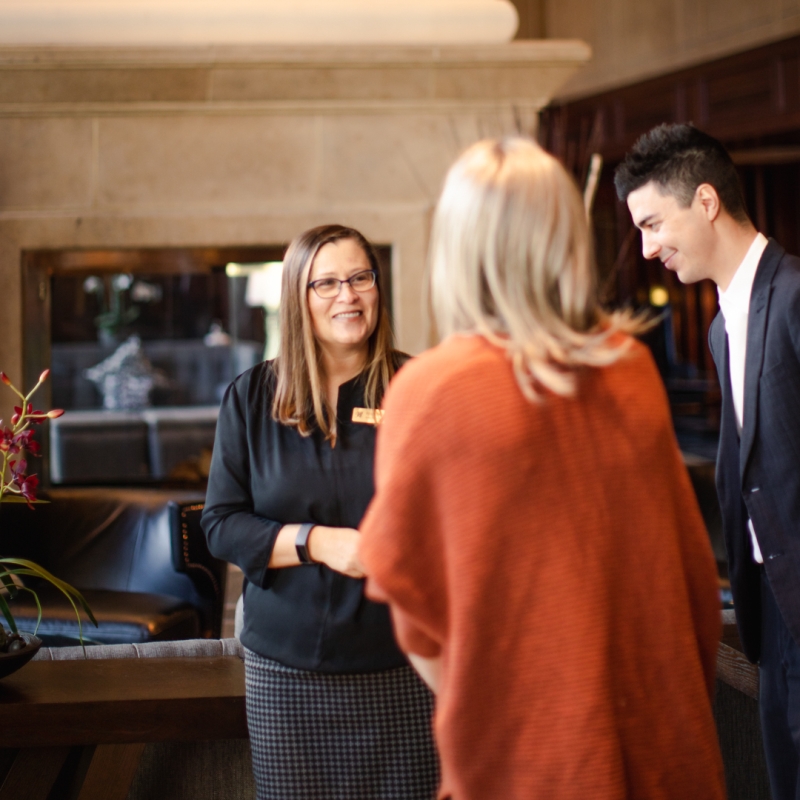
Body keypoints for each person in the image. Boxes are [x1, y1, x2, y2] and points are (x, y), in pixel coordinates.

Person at [358, 137, 725, 800]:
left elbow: (412, 613)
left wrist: (507, 705)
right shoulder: (629, 367)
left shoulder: (431, 389)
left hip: (526, 764)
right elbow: (693, 580)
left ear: (456, 245)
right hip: (664, 746)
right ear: (564, 237)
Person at [201, 224, 439, 800]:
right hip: (284, 670)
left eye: (360, 278)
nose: (348, 296)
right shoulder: (251, 396)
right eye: (326, 283)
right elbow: (221, 524)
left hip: (402, 665)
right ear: (297, 297)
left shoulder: (421, 388)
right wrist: (318, 542)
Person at [616, 122, 800, 800]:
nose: (647, 247)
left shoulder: (796, 297)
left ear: (706, 201)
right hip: (774, 615)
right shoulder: (724, 326)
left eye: (653, 223)